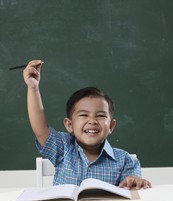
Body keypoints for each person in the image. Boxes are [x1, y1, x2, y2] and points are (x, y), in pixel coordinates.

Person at [23, 59, 151, 190]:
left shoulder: (125, 161)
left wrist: (135, 182)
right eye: (84, 115)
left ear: (111, 126)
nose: (92, 121)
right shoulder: (62, 149)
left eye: (101, 115)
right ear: (69, 125)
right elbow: (40, 130)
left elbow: (133, 189)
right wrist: (33, 87)